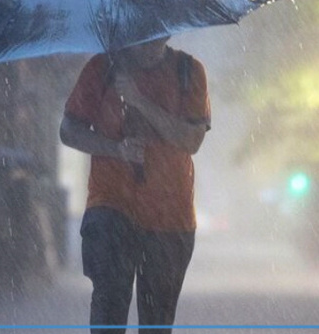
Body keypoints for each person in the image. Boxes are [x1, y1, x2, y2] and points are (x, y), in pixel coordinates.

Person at [60, 37, 210, 334]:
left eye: (159, 34)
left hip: (170, 215)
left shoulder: (188, 71)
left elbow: (192, 140)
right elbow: (68, 131)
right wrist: (116, 149)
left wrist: (139, 100)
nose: (152, 42)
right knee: (108, 308)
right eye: (143, 35)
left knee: (157, 321)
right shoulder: (102, 68)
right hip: (111, 206)